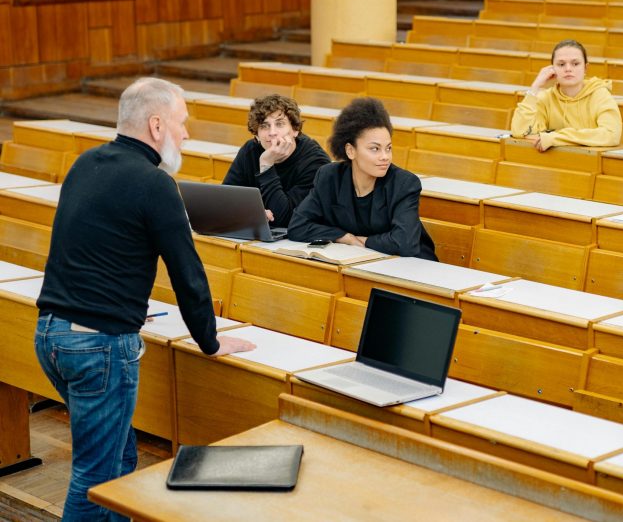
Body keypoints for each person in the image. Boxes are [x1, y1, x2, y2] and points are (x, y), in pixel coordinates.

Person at [35, 78, 255, 521]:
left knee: (120, 464)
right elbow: (187, 273)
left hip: (50, 334)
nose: (186, 133)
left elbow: (86, 246)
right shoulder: (155, 183)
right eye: (181, 123)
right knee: (97, 478)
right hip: (98, 346)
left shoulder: (86, 162)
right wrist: (210, 341)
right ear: (157, 125)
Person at [287, 97, 437, 261]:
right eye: (375, 149)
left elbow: (405, 243)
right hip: (361, 262)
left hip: (413, 266)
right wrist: (345, 238)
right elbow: (298, 226)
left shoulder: (404, 183)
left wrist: (363, 242)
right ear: (350, 151)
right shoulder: (329, 177)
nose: (385, 157)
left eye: (388, 148)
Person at [222, 94, 330, 227]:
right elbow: (225, 200)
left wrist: (266, 166)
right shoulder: (249, 151)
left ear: (295, 130)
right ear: (256, 135)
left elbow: (285, 219)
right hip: (258, 231)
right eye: (264, 126)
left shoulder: (316, 162)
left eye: (279, 124)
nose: (272, 132)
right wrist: (252, 214)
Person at [510, 39, 621, 151]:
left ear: (585, 68)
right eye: (561, 64)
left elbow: (611, 134)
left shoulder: (600, 94)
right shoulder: (546, 98)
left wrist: (555, 137)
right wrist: (535, 87)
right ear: (553, 69)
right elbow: (520, 132)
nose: (568, 69)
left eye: (575, 64)